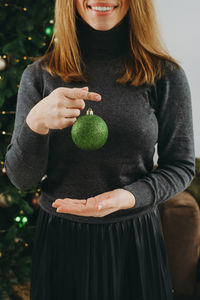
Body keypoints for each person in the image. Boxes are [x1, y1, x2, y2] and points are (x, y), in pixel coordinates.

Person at [4, 0, 195, 299]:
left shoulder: (165, 74)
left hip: (136, 240)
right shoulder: (39, 75)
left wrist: (131, 196)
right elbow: (22, 180)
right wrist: (35, 124)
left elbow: (181, 166)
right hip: (61, 243)